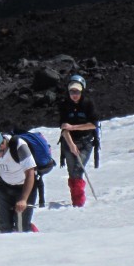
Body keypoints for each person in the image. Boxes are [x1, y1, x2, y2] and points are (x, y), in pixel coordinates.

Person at [0, 130, 39, 233]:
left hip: (24, 188)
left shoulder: (19, 146)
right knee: (4, 227)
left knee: (22, 227)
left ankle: (31, 233)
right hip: (4, 187)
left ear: (2, 146)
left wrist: (23, 199)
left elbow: (30, 173)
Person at [57, 74, 99, 207]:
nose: (74, 94)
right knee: (72, 172)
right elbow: (64, 128)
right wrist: (71, 145)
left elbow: (93, 124)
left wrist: (74, 127)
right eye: (72, 91)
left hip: (86, 141)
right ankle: (77, 200)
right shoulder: (64, 105)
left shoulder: (88, 103)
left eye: (77, 92)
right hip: (69, 142)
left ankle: (79, 201)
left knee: (78, 169)